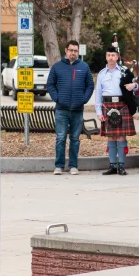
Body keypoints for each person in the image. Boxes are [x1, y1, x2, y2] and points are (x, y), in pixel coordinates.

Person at [46, 40, 94, 175]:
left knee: (75, 139)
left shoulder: (84, 67)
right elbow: (50, 84)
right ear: (66, 50)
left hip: (77, 110)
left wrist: (84, 99)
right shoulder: (57, 67)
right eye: (71, 50)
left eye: (75, 51)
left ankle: (73, 165)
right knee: (60, 138)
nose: (73, 53)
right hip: (62, 109)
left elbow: (90, 85)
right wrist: (58, 98)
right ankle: (59, 166)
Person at [95, 45, 138, 176]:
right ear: (106, 57)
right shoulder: (102, 74)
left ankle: (122, 166)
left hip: (122, 104)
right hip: (107, 105)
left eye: (113, 55)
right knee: (111, 137)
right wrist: (99, 111)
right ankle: (112, 165)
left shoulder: (124, 71)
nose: (111, 58)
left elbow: (136, 85)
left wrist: (134, 85)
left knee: (121, 136)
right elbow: (98, 94)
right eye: (108, 55)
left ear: (117, 57)